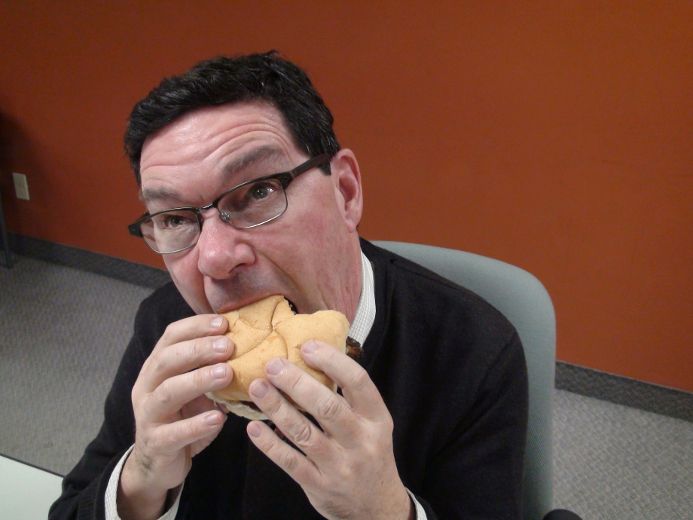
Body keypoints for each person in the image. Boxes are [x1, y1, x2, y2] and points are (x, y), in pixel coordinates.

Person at [50, 51, 527, 519]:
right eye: (174, 219)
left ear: (345, 192)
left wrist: (386, 512)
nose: (214, 259)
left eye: (259, 191)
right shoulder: (169, 322)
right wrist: (141, 479)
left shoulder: (473, 350)